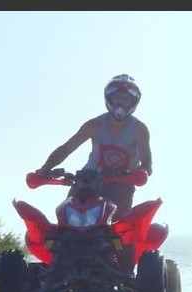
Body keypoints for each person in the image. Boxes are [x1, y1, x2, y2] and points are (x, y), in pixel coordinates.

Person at [36, 73, 152, 222]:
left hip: (121, 184)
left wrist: (139, 173)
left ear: (133, 101)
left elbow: (147, 164)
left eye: (125, 98)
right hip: (87, 180)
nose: (121, 103)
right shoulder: (94, 125)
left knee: (121, 226)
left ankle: (122, 245)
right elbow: (66, 148)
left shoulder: (139, 129)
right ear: (109, 98)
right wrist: (45, 169)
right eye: (117, 98)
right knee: (66, 217)